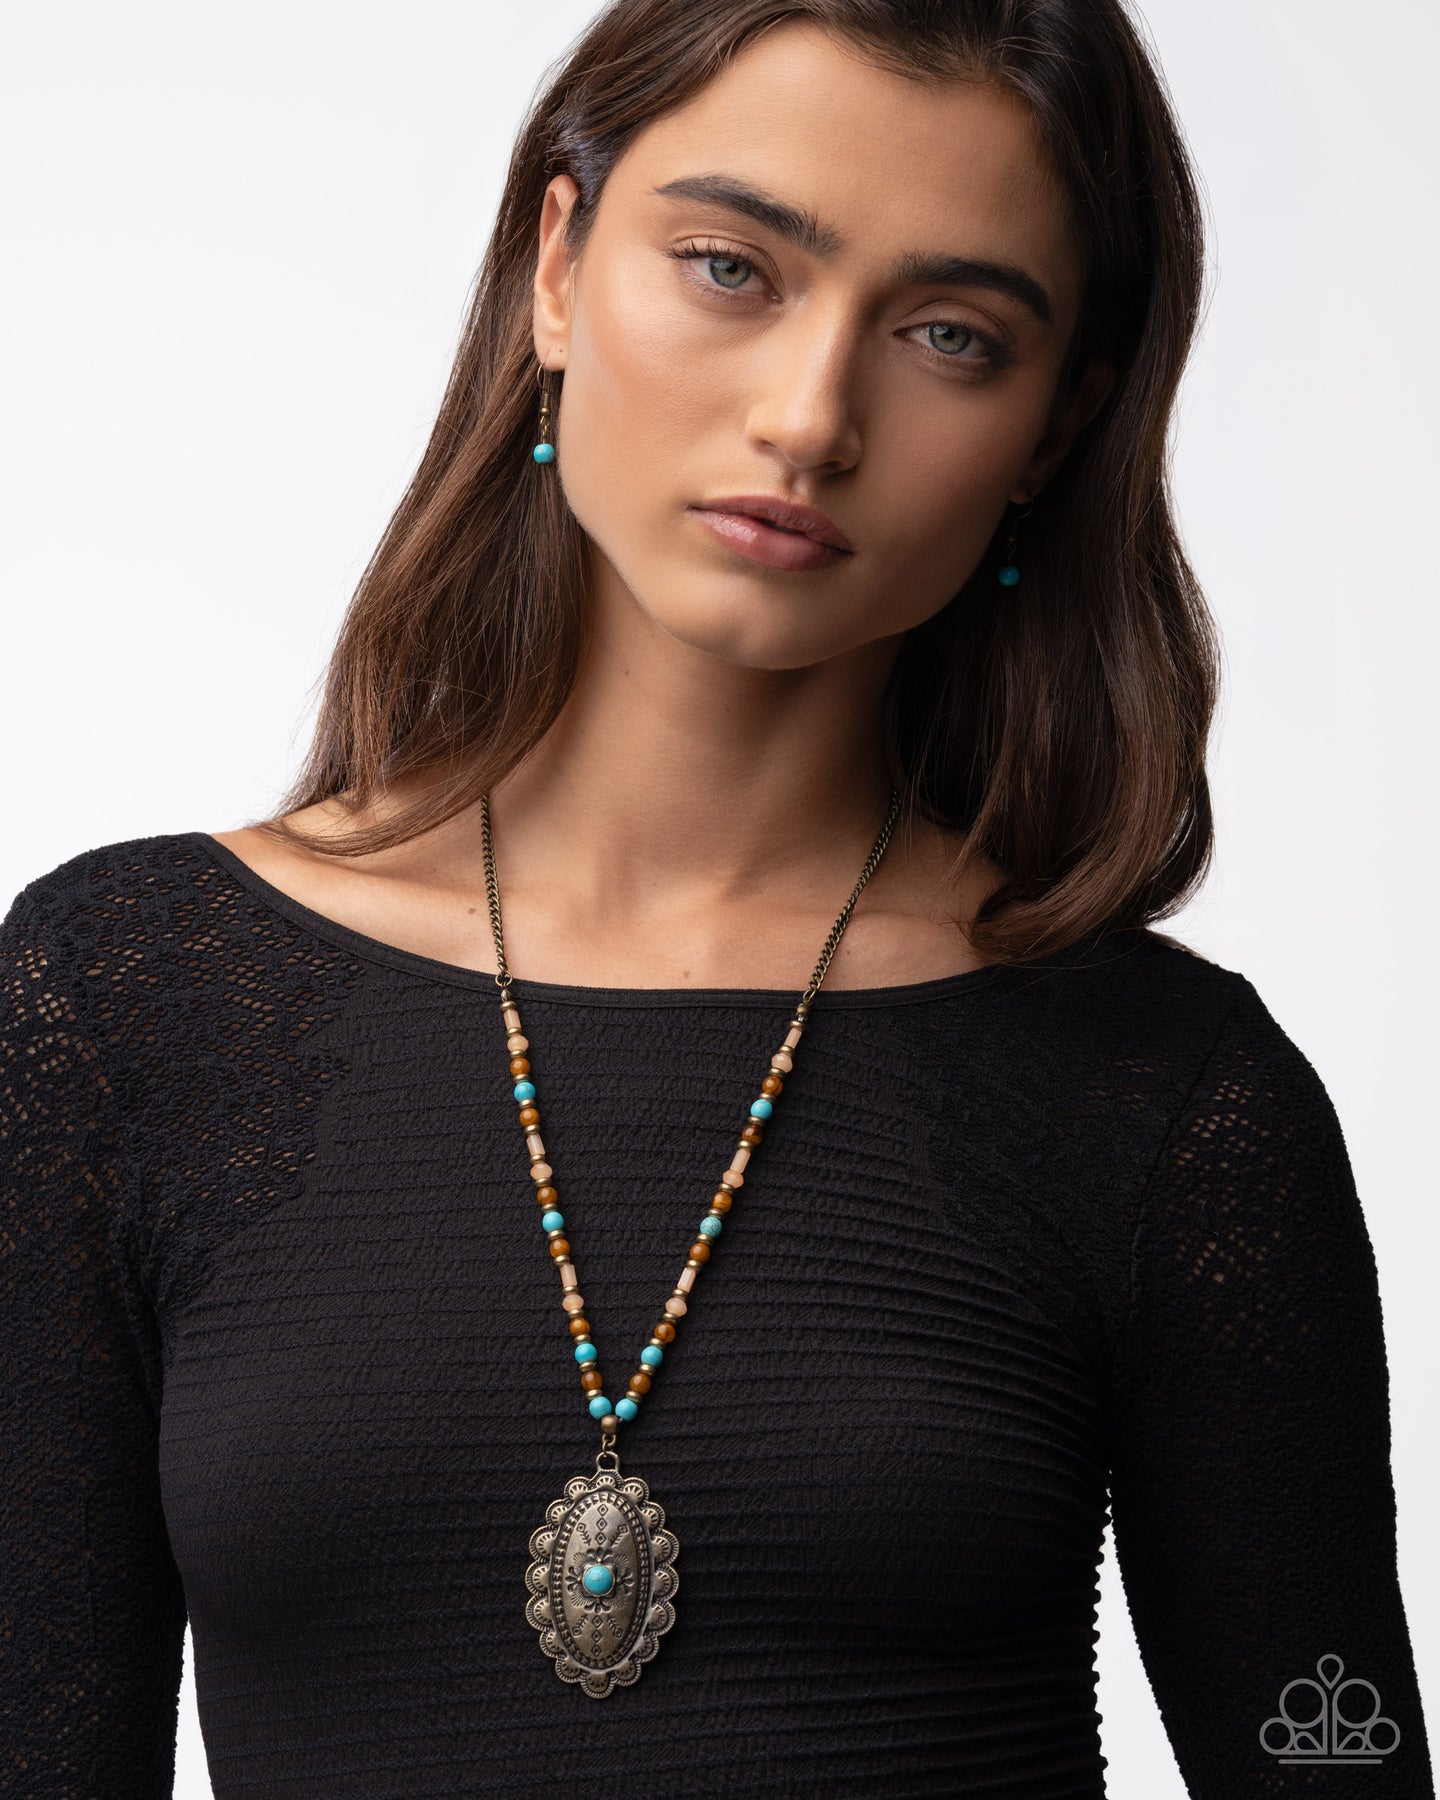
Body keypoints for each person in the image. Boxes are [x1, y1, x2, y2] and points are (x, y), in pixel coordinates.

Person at [2, 1, 1432, 1794]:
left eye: (949, 335)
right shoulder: (124, 1006)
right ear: (557, 268)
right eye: (731, 268)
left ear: (1052, 429)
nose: (811, 417)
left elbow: (1331, 1754)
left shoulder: (1168, 1097)